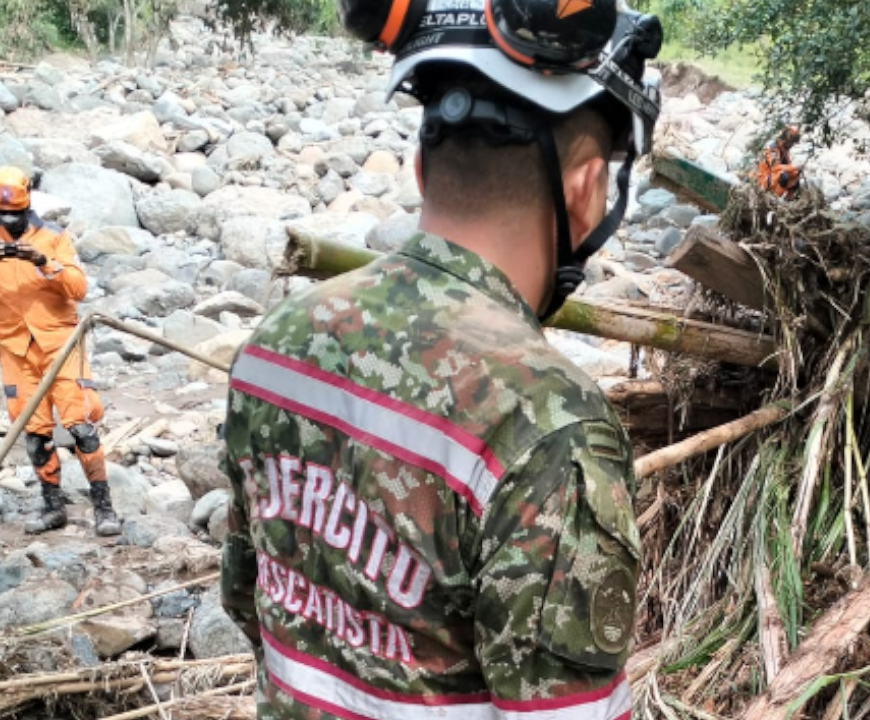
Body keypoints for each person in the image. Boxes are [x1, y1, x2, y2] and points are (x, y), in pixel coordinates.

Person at [218, 0, 663, 718]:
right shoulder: (548, 427)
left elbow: (248, 597)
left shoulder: (273, 348)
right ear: (586, 190)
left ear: (422, 166)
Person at [0, 166, 121, 536]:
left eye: (16, 216)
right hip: (14, 347)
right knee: (33, 431)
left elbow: (78, 288)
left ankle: (104, 507)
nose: (10, 223)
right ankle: (52, 505)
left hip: (61, 342)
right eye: (4, 216)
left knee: (81, 425)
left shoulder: (53, 238)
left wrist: (41, 262)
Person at [755, 126, 803, 199]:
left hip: (772, 177)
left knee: (795, 173)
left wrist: (796, 170)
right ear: (786, 140)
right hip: (764, 178)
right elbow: (775, 167)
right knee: (783, 176)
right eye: (791, 143)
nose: (792, 145)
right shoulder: (772, 148)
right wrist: (793, 167)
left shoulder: (784, 150)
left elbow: (787, 166)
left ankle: (790, 198)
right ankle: (776, 198)